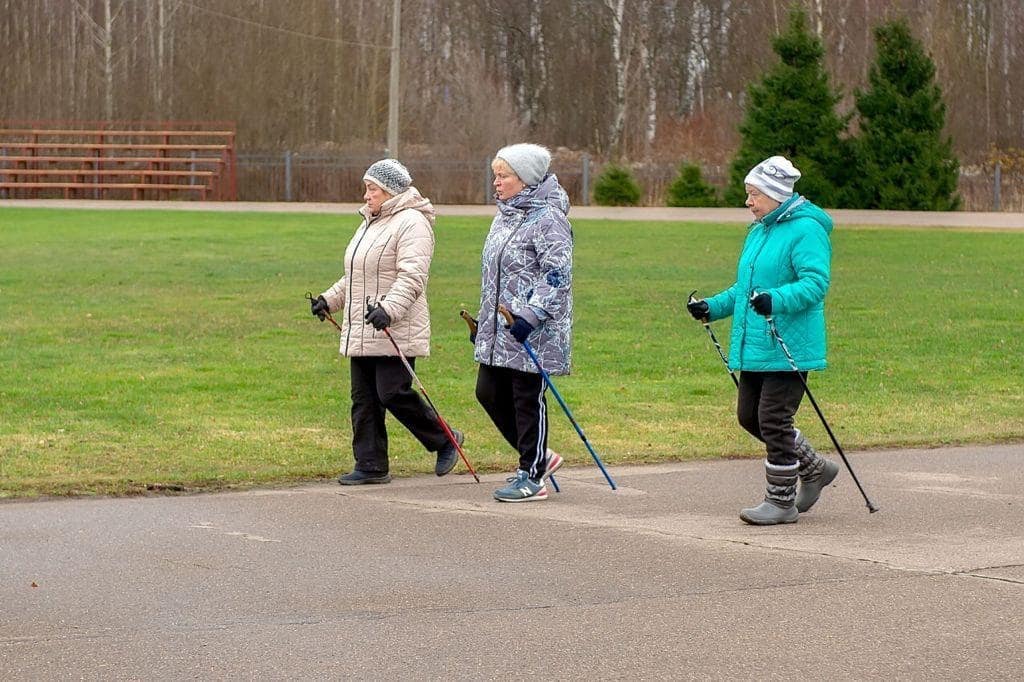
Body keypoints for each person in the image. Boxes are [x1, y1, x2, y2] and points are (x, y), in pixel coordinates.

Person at [687, 155, 840, 525]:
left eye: (754, 194)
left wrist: (776, 299)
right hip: (755, 342)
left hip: (789, 345)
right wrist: (712, 307)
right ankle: (815, 469)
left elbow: (815, 283)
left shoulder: (807, 230)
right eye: (748, 193)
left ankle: (781, 502)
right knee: (749, 417)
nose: (748, 201)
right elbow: (745, 288)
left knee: (772, 419)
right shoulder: (759, 231)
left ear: (776, 195)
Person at [309, 159, 462, 485]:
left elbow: (413, 277)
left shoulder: (412, 223)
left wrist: (389, 310)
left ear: (390, 191)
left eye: (372, 189)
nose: (366, 195)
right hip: (364, 325)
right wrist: (328, 299)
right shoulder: (371, 221)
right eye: (366, 188)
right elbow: (357, 274)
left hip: (395, 325)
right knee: (363, 399)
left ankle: (445, 439)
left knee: (392, 393)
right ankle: (371, 465)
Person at [469, 143, 571, 502]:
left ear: (525, 179)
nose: (496, 182)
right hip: (501, 328)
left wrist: (531, 314)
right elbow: (495, 278)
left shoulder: (549, 219)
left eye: (504, 176)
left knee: (527, 400)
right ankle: (541, 457)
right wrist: (485, 325)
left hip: (534, 330)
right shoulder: (504, 216)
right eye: (495, 175)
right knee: (487, 392)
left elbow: (557, 275)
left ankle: (532, 475)